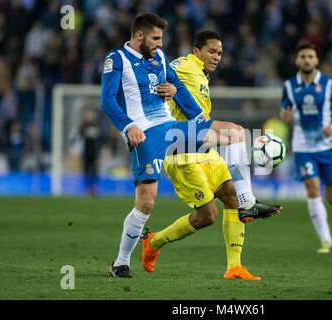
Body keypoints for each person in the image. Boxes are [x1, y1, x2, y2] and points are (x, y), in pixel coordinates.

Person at [101, 13, 245, 278]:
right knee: (146, 203)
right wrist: (127, 127)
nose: (159, 43)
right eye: (155, 38)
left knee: (235, 132)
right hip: (143, 133)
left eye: (161, 38)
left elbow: (178, 86)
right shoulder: (117, 59)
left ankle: (246, 199)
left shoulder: (160, 58)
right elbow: (108, 101)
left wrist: (198, 117)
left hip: (171, 129)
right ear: (139, 35)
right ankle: (121, 263)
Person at [141, 31, 275, 281]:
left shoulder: (202, 75)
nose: (217, 56)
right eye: (212, 51)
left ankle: (234, 266)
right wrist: (165, 88)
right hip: (181, 151)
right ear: (196, 51)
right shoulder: (184, 64)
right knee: (207, 216)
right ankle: (154, 242)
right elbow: (161, 73)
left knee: (232, 198)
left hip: (203, 149)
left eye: (220, 53)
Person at [280, 43, 332, 253]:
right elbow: (285, 112)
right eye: (303, 56)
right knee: (312, 188)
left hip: (328, 147)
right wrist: (285, 117)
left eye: (311, 56)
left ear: (316, 60)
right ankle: (326, 240)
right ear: (297, 61)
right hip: (303, 147)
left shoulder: (329, 83)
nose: (307, 60)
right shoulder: (289, 85)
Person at [79, 108, 102, 195]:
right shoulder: (83, 125)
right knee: (86, 170)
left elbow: (101, 138)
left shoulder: (97, 125)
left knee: (95, 170)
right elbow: (80, 136)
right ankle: (87, 187)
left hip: (95, 152)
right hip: (86, 152)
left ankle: (94, 187)